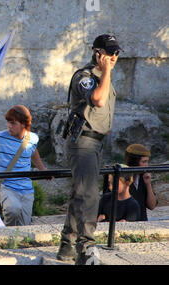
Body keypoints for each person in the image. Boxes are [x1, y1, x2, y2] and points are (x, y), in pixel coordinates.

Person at [57, 34, 122, 265]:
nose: (113, 57)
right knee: (89, 194)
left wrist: (106, 73)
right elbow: (98, 100)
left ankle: (67, 245)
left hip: (95, 142)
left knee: (81, 193)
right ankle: (86, 249)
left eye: (116, 53)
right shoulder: (85, 77)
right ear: (97, 52)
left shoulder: (103, 77)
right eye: (108, 53)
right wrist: (105, 72)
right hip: (83, 141)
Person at [0, 105, 47, 226]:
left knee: (24, 225)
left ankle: (13, 242)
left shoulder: (33, 138)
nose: (9, 126)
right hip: (8, 187)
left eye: (13, 123)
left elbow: (33, 151)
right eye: (8, 122)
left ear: (24, 124)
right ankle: (5, 235)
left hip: (27, 189)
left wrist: (43, 169)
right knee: (13, 210)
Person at [124, 144, 157, 221]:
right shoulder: (122, 179)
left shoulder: (143, 178)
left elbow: (152, 206)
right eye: (144, 162)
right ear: (134, 162)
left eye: (147, 162)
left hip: (142, 222)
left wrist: (148, 184)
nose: (146, 165)